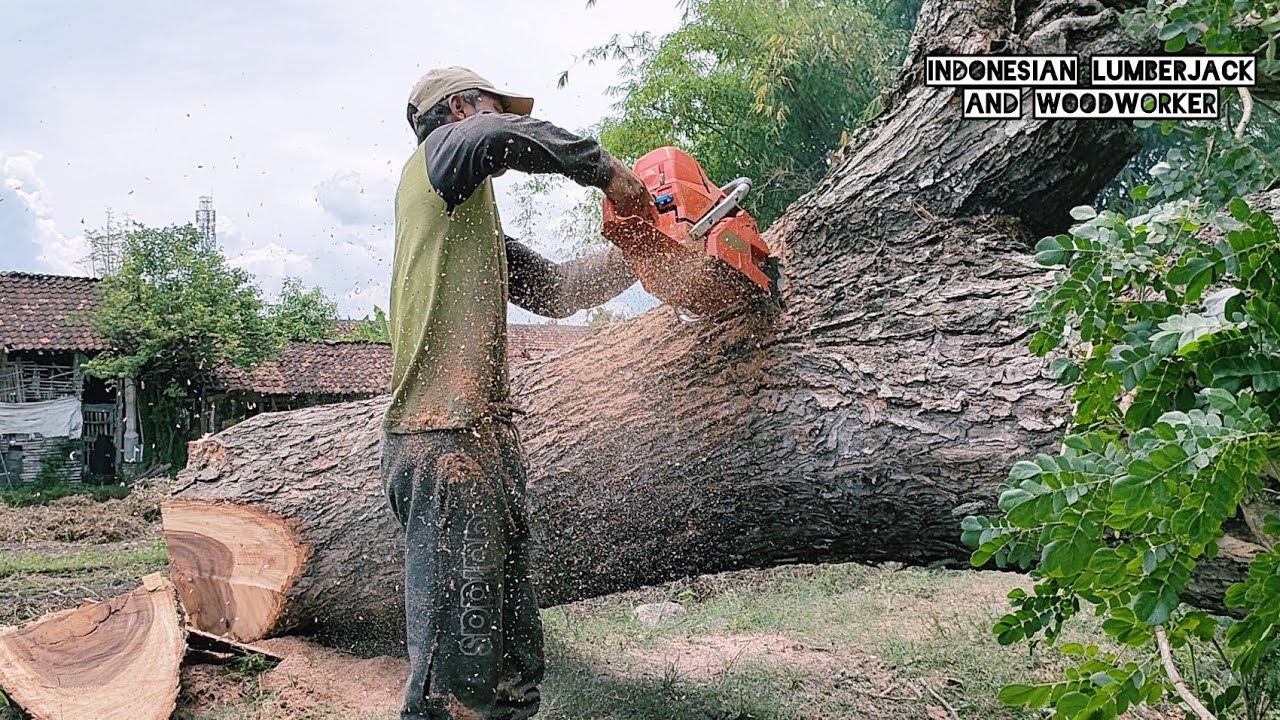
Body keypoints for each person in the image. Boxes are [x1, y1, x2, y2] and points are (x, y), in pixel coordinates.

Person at [381, 66, 655, 720]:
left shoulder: (466, 219)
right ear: (458, 110)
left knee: (509, 662)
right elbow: (499, 135)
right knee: (456, 676)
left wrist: (648, 250)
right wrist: (610, 174)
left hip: (481, 444)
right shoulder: (436, 162)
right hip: (441, 442)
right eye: (490, 107)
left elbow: (559, 291)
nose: (502, 118)